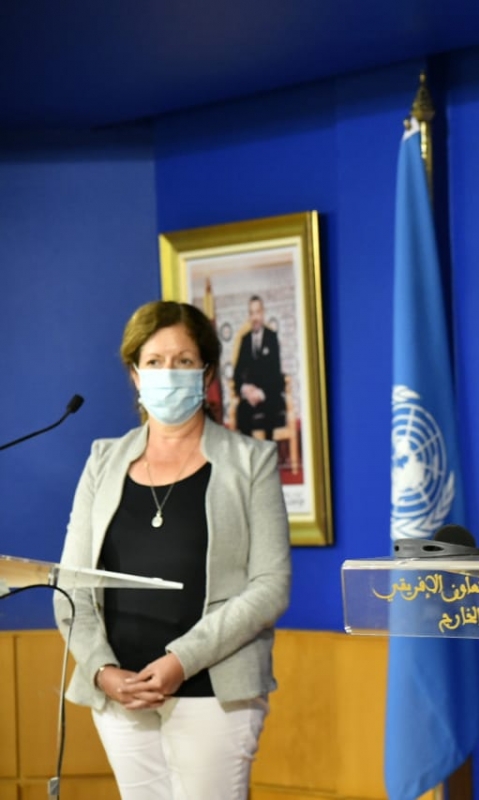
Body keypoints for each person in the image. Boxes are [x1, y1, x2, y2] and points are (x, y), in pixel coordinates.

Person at [54, 300, 292, 799]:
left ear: (206, 373)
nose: (168, 373)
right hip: (121, 694)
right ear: (135, 373)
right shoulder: (103, 461)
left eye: (183, 361)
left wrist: (181, 660)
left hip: (213, 690)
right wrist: (102, 670)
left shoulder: (252, 461)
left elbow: (270, 586)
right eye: (155, 361)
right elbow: (71, 584)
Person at [233, 294, 286, 439]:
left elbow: (276, 373)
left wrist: (261, 393)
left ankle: (268, 450)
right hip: (250, 396)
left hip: (268, 394)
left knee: (271, 408)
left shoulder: (272, 337)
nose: (255, 317)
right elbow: (237, 373)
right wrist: (245, 389)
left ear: (263, 313)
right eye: (251, 313)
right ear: (249, 316)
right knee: (242, 411)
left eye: (257, 312)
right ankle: (249, 451)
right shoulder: (245, 340)